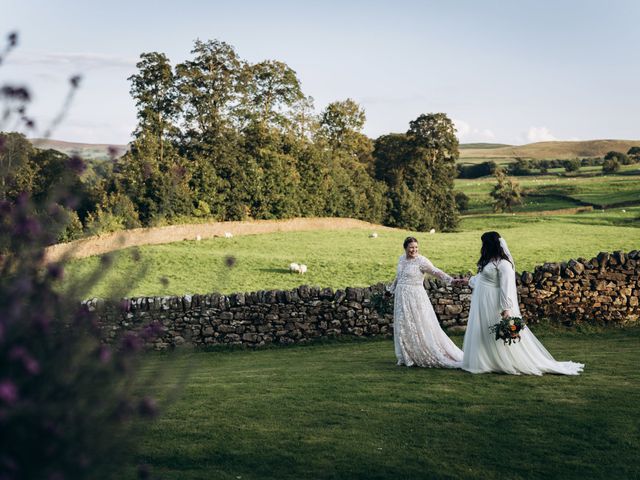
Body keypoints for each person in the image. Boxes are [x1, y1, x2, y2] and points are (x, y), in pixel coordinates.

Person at [462, 231, 584, 375]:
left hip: (493, 303)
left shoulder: (504, 265)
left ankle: (503, 360)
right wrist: (469, 281)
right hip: (482, 302)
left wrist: (506, 309)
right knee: (482, 331)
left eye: (484, 243)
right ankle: (485, 360)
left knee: (494, 331)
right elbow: (482, 279)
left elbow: (506, 288)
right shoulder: (489, 261)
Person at [387, 237, 464, 368]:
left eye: (416, 247)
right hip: (401, 298)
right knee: (404, 325)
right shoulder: (401, 259)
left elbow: (436, 271)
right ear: (405, 247)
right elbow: (399, 277)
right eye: (411, 247)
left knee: (420, 324)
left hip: (415, 297)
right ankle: (408, 356)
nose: (414, 250)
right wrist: (391, 289)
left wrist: (450, 280)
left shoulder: (421, 261)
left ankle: (425, 352)